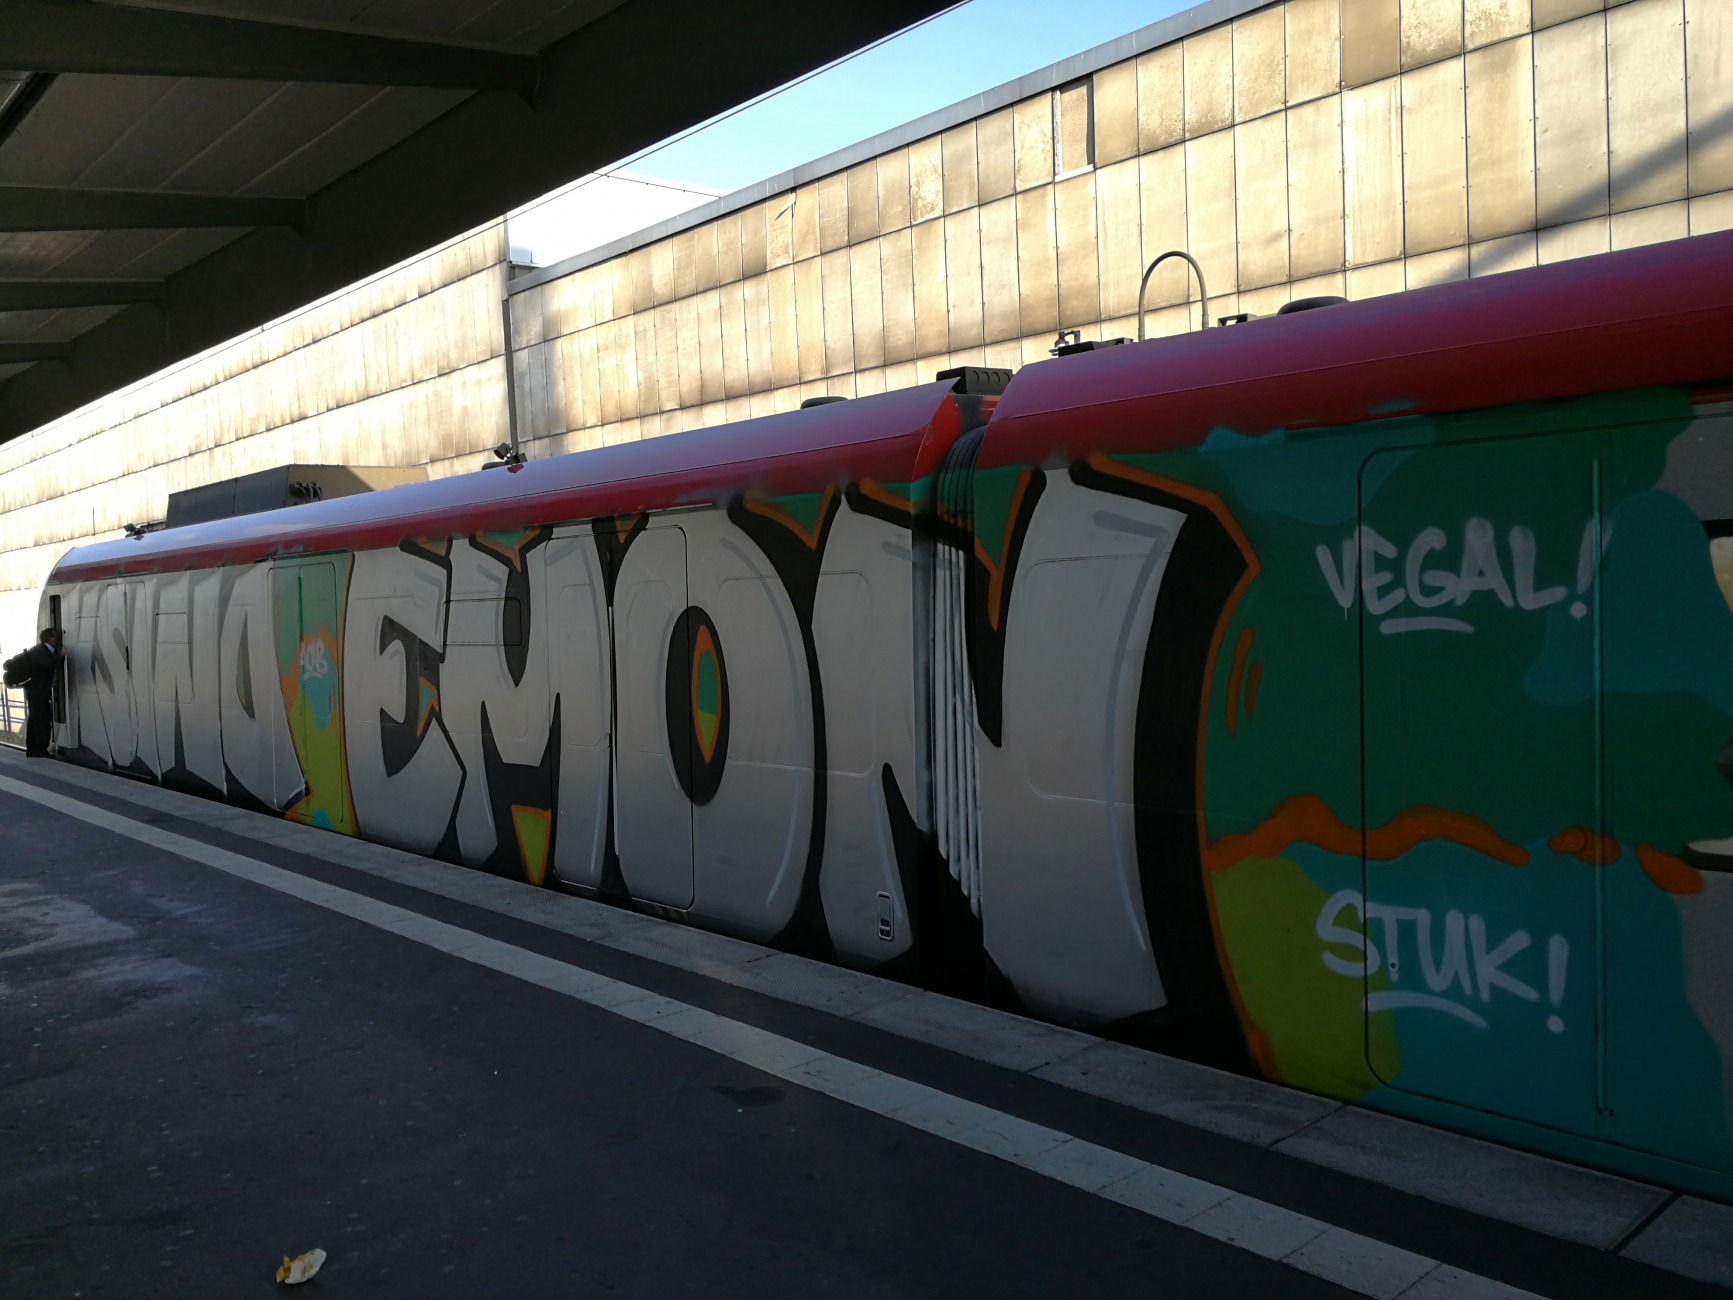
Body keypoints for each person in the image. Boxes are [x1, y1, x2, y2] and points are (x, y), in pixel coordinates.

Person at [16, 627, 64, 757]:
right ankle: (38, 750)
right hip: (37, 693)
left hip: (37, 692)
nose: (57, 638)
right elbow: (46, 665)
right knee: (40, 722)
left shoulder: (40, 649)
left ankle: (35, 749)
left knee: (38, 721)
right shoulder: (41, 651)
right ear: (49, 639)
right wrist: (60, 656)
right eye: (55, 636)